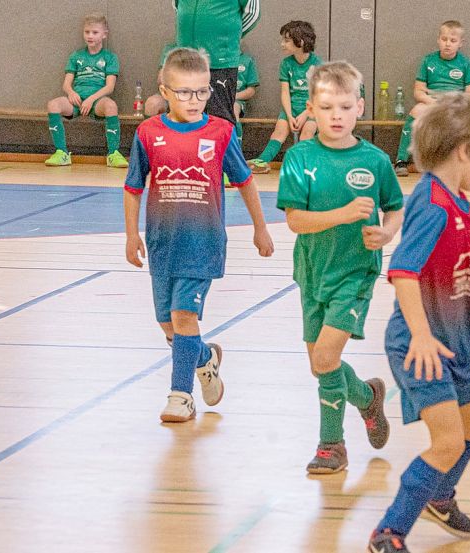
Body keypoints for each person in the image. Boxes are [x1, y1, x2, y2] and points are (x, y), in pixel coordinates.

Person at [369, 93, 470, 553]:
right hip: (422, 344)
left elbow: (461, 275)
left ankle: (439, 496)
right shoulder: (433, 205)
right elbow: (403, 272)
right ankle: (389, 532)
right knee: (447, 441)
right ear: (463, 152)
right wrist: (420, 335)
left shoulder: (459, 201)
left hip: (456, 340)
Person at [123, 47, 274, 422]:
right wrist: (131, 235)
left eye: (202, 91)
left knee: (183, 316)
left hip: (202, 245)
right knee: (168, 324)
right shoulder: (148, 133)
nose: (194, 100)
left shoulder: (221, 132)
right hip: (162, 243)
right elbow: (133, 187)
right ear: (165, 91)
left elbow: (245, 181)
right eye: (184, 92)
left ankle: (181, 396)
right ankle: (205, 358)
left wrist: (260, 228)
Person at [276, 61, 402, 474]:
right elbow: (295, 221)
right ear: (311, 108)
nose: (336, 116)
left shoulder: (376, 160)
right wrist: (344, 214)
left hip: (355, 273)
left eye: (345, 107)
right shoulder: (299, 157)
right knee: (320, 364)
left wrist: (386, 233)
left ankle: (332, 446)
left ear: (359, 107)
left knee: (327, 356)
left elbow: (395, 208)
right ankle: (367, 397)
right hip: (312, 271)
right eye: (327, 107)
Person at [393, 20, 470, 177]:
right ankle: (401, 160)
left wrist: (454, 104)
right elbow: (418, 92)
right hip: (432, 103)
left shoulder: (466, 63)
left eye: (453, 40)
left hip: (456, 105)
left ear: (460, 43)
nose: (448, 44)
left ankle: (462, 163)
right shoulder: (428, 61)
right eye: (444, 39)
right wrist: (433, 102)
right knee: (416, 110)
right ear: (438, 39)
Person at [45, 13, 128, 168]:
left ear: (104, 34)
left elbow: (109, 87)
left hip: (97, 101)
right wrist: (71, 93)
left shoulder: (110, 57)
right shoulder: (76, 56)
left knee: (111, 106)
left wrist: (91, 99)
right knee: (53, 105)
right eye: (87, 32)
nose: (90, 36)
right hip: (76, 100)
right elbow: (66, 84)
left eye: (95, 32)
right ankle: (62, 153)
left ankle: (113, 154)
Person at [248, 21, 322, 174]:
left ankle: (304, 167)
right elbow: (285, 92)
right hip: (291, 107)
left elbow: (319, 95)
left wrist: (306, 114)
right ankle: (261, 162)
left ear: (301, 42)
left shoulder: (317, 64)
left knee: (307, 134)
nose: (282, 44)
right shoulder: (286, 64)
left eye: (287, 40)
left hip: (312, 108)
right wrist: (289, 115)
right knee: (278, 133)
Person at [174, 0, 260, 126]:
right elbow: (178, 7)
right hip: (185, 61)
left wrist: (228, 37)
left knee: (219, 121)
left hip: (220, 63)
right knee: (184, 118)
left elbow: (253, 14)